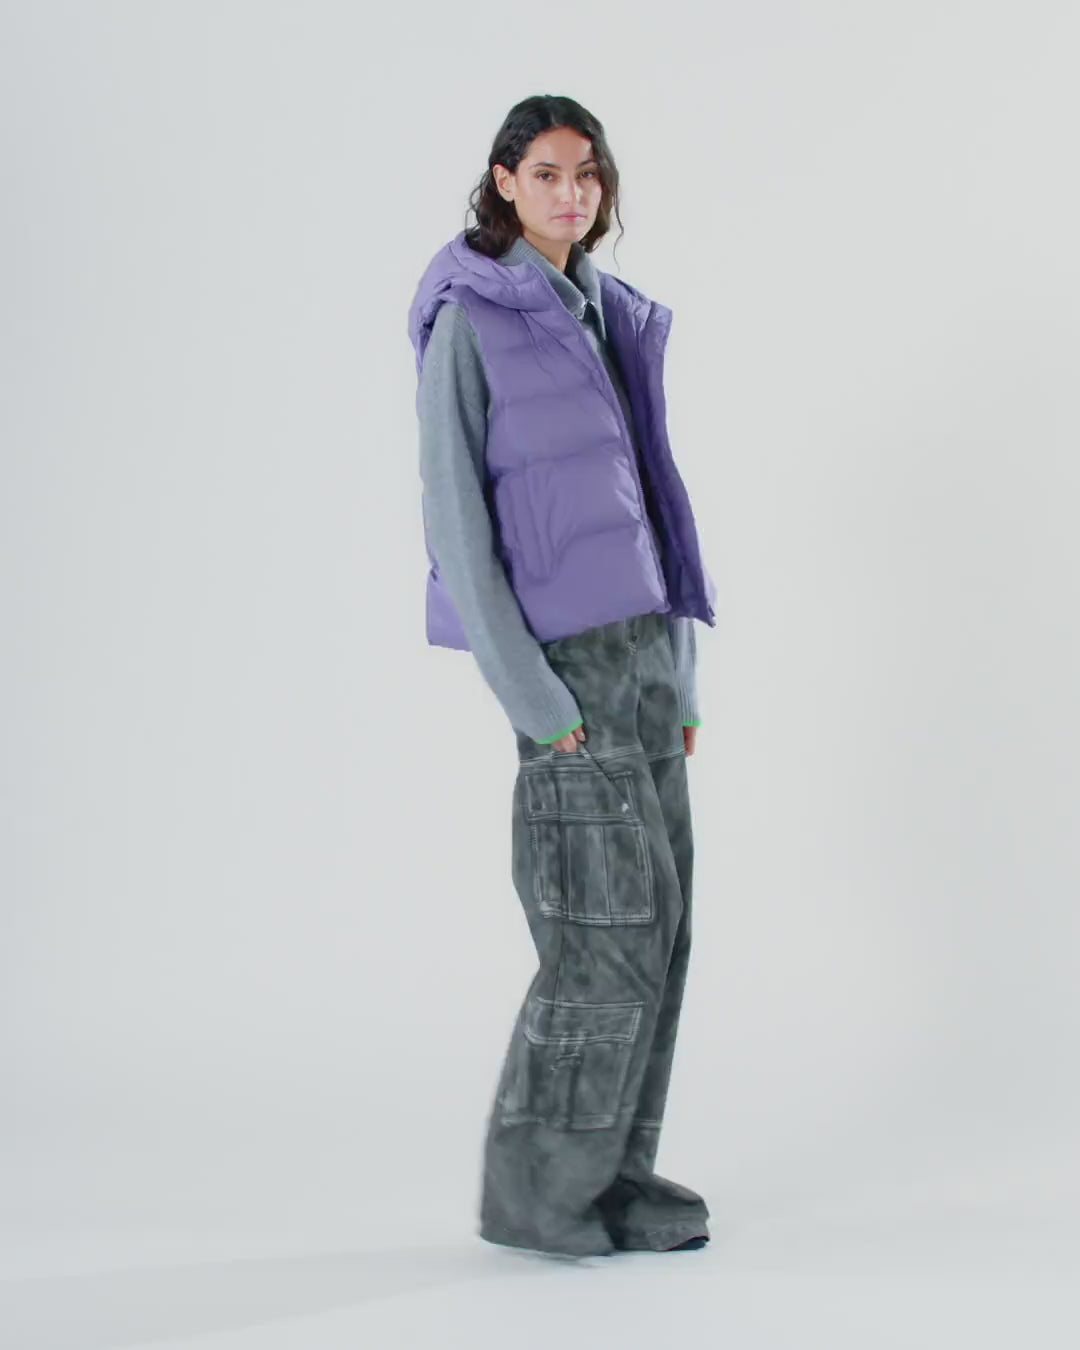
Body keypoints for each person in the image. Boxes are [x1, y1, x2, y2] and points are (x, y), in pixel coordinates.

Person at [407, 94, 718, 1258]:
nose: (571, 193)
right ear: (503, 182)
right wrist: (535, 700)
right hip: (568, 673)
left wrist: (681, 672)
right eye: (546, 173)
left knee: (662, 930)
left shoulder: (607, 313)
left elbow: (654, 504)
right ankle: (539, 1192)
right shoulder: (471, 319)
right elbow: (456, 523)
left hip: (646, 661)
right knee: (601, 934)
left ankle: (614, 1176)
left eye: (587, 174)